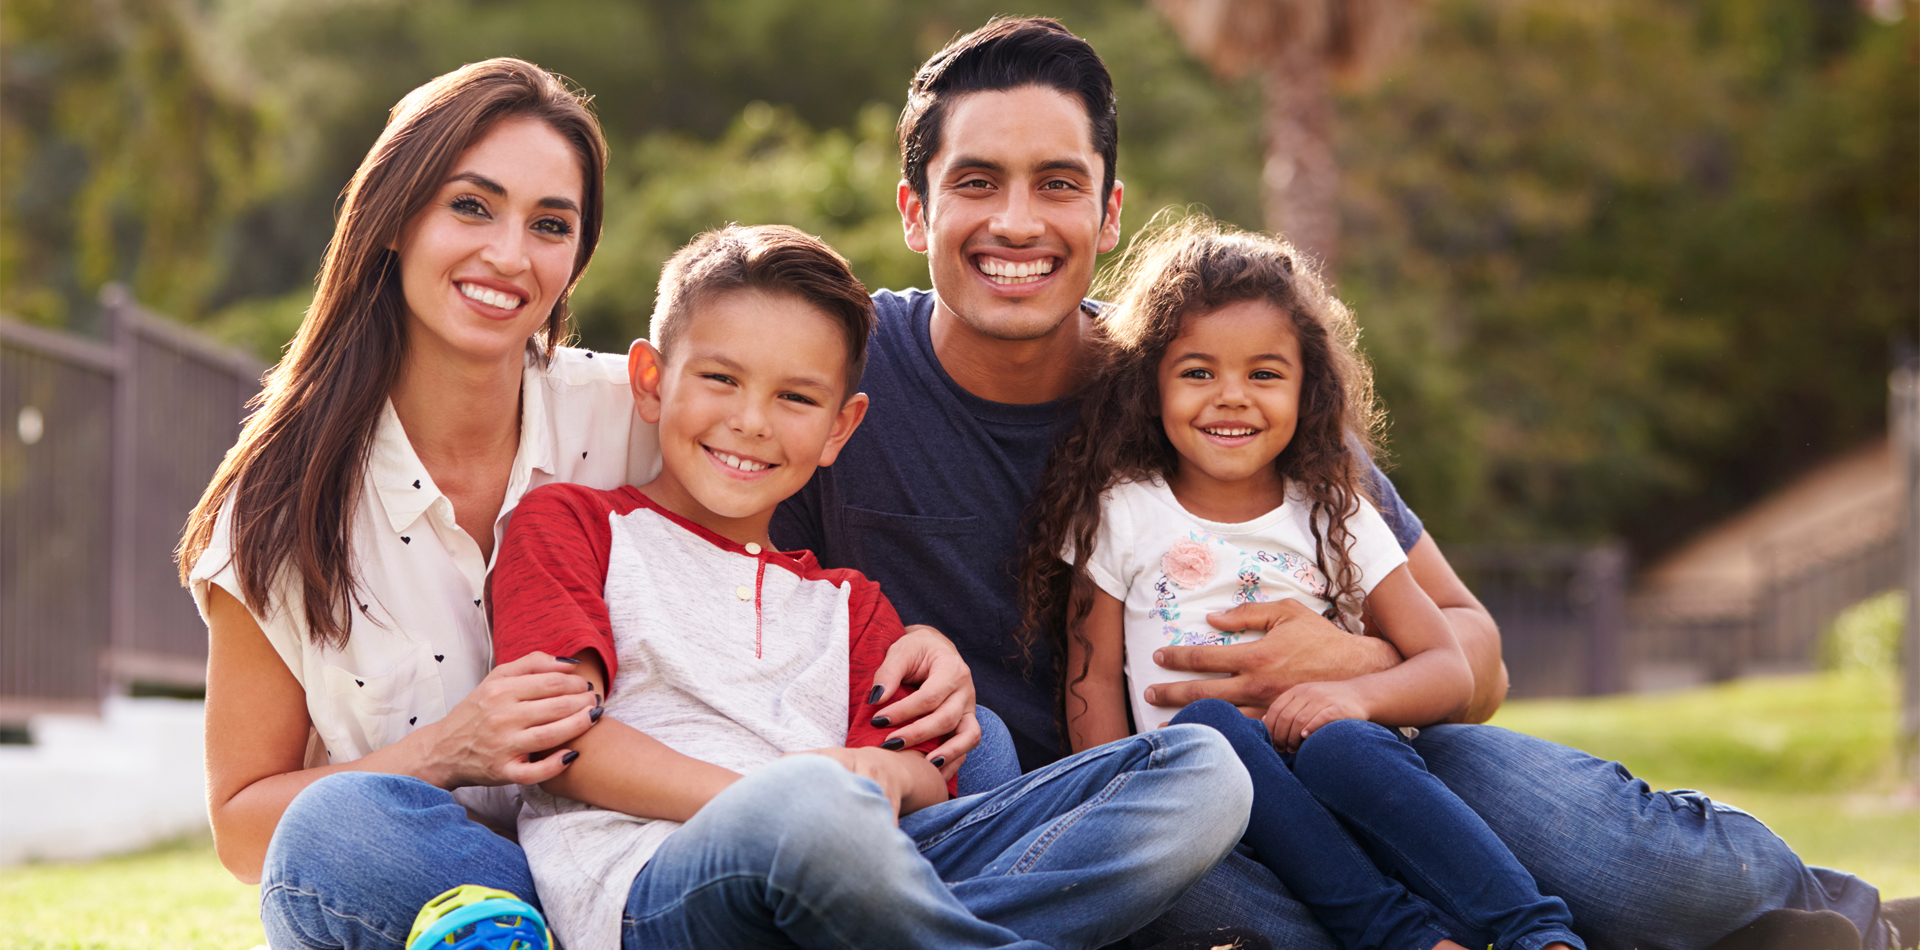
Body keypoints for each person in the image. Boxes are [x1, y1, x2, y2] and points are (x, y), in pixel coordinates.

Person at [770, 16, 1906, 950]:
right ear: (917, 208)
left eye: (1057, 183)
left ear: (1108, 215)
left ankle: (1856, 919)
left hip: (1350, 767)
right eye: (979, 182)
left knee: (1566, 825)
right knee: (1224, 892)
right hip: (1133, 830)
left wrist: (1353, 663)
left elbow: (1479, 656)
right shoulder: (833, 377)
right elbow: (676, 443)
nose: (1017, 221)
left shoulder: (1206, 391)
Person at [177, 60, 981, 950]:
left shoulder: (635, 408)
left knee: (973, 750)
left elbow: (777, 545)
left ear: (577, 256)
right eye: (471, 206)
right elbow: (246, 829)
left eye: (550, 225)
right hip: (454, 881)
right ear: (395, 218)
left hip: (675, 856)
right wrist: (445, 751)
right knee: (342, 829)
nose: (510, 255)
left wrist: (921, 642)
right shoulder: (279, 505)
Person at [485, 223, 1252, 950]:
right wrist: (790, 796)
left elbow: (918, 780)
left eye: (795, 398)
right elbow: (563, 741)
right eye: (721, 379)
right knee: (818, 811)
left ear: (840, 429)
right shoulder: (575, 524)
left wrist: (879, 775)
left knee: (1203, 771)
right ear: (652, 381)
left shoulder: (850, 604)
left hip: (864, 877)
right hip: (662, 879)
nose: (752, 420)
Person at [1022, 216, 1582, 950]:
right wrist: (1112, 797)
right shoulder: (1122, 511)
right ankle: (1406, 939)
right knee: (1210, 732)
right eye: (1198, 372)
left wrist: (1351, 697)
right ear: (1148, 383)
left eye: (1264, 374)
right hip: (1200, 796)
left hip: (1340, 774)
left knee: (1342, 745)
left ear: (1306, 387)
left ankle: (1536, 934)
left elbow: (1447, 668)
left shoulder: (1334, 511)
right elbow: (1089, 682)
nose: (1231, 397)